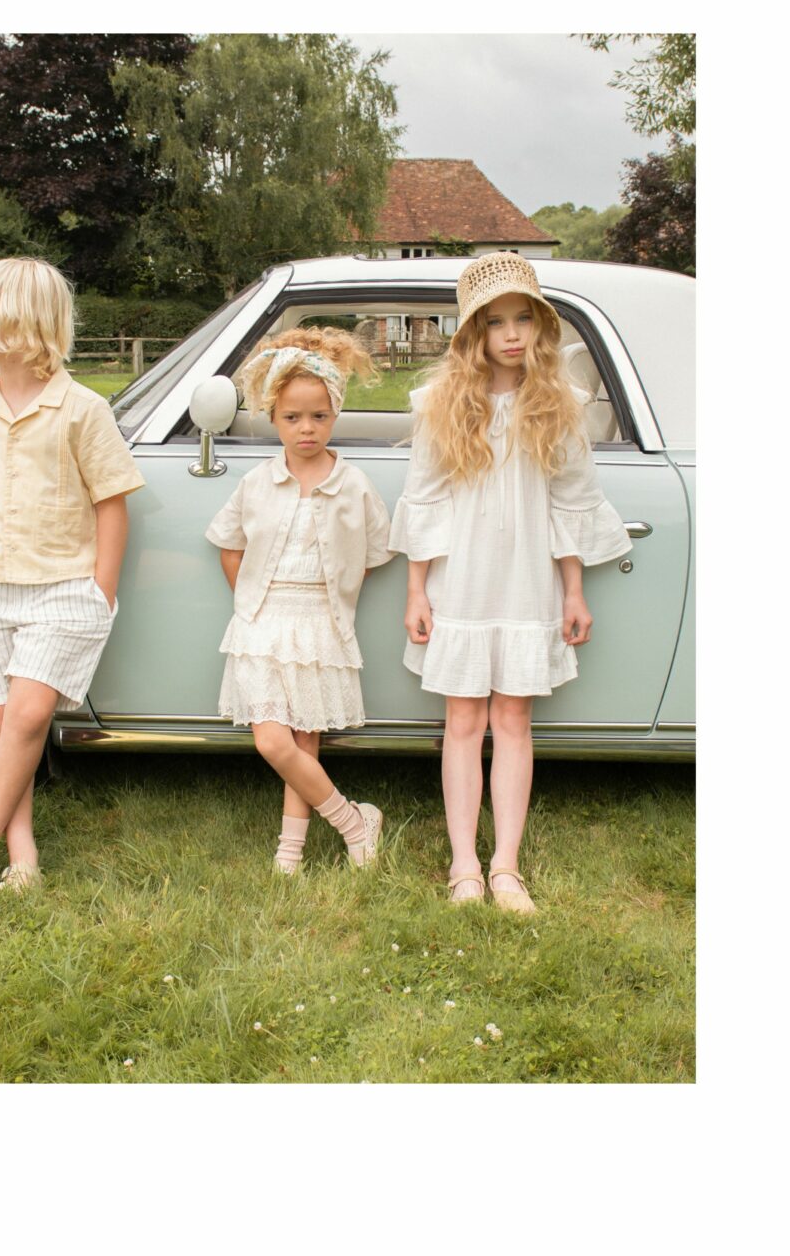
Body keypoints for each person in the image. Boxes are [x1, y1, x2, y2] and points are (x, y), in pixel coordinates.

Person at [391, 253, 629, 911]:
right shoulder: (441, 404)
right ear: (474, 334)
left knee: (515, 718)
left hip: (527, 579)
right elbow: (425, 499)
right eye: (497, 322)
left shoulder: (559, 404)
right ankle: (463, 863)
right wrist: (416, 590)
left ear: (540, 327)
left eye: (524, 318)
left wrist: (574, 589)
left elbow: (570, 503)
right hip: (461, 577)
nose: (513, 333)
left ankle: (506, 866)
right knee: (462, 718)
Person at [0, 257, 144, 891]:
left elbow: (111, 503)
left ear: (18, 324)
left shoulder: (81, 410)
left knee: (27, 716)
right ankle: (24, 860)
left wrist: (100, 592)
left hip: (64, 589)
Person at [207, 330, 394, 873]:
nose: (306, 428)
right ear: (274, 419)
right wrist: (251, 608)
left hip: (319, 622)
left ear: (334, 412)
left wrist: (333, 589)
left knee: (303, 745)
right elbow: (230, 546)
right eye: (292, 418)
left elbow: (372, 553)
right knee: (273, 740)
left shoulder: (353, 484)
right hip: (264, 620)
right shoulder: (259, 482)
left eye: (317, 416)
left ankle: (290, 851)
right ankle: (355, 822)